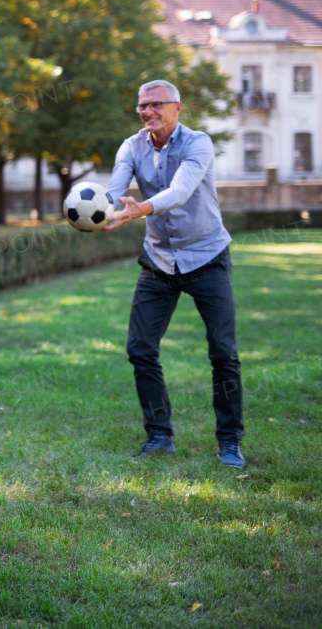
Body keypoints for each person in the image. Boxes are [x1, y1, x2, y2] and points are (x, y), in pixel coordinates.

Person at [104, 80, 243, 467]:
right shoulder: (132, 146)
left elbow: (180, 191)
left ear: (177, 107)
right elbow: (116, 188)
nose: (147, 112)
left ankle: (230, 441)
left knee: (223, 354)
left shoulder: (198, 143)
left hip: (207, 257)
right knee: (140, 349)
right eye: (141, 107)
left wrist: (139, 209)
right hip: (159, 261)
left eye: (155, 105)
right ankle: (159, 436)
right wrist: (101, 208)